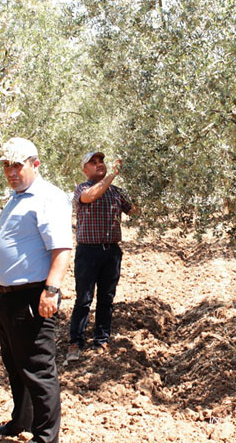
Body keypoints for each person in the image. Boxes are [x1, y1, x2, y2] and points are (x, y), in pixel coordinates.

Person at [0, 137, 72, 442]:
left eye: (17, 164)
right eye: (6, 165)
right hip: (9, 298)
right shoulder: (16, 198)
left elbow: (61, 248)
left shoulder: (48, 197)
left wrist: (51, 291)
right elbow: (10, 246)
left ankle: (46, 438)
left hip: (33, 298)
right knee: (16, 367)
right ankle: (20, 423)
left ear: (35, 164)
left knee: (39, 371)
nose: (11, 171)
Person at [66, 151, 136, 361]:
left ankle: (101, 340)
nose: (99, 164)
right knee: (84, 299)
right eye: (93, 162)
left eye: (101, 161)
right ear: (84, 170)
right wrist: (113, 175)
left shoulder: (116, 192)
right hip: (88, 252)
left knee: (107, 299)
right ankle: (75, 342)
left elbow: (135, 210)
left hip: (111, 252)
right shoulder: (82, 189)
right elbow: (91, 196)